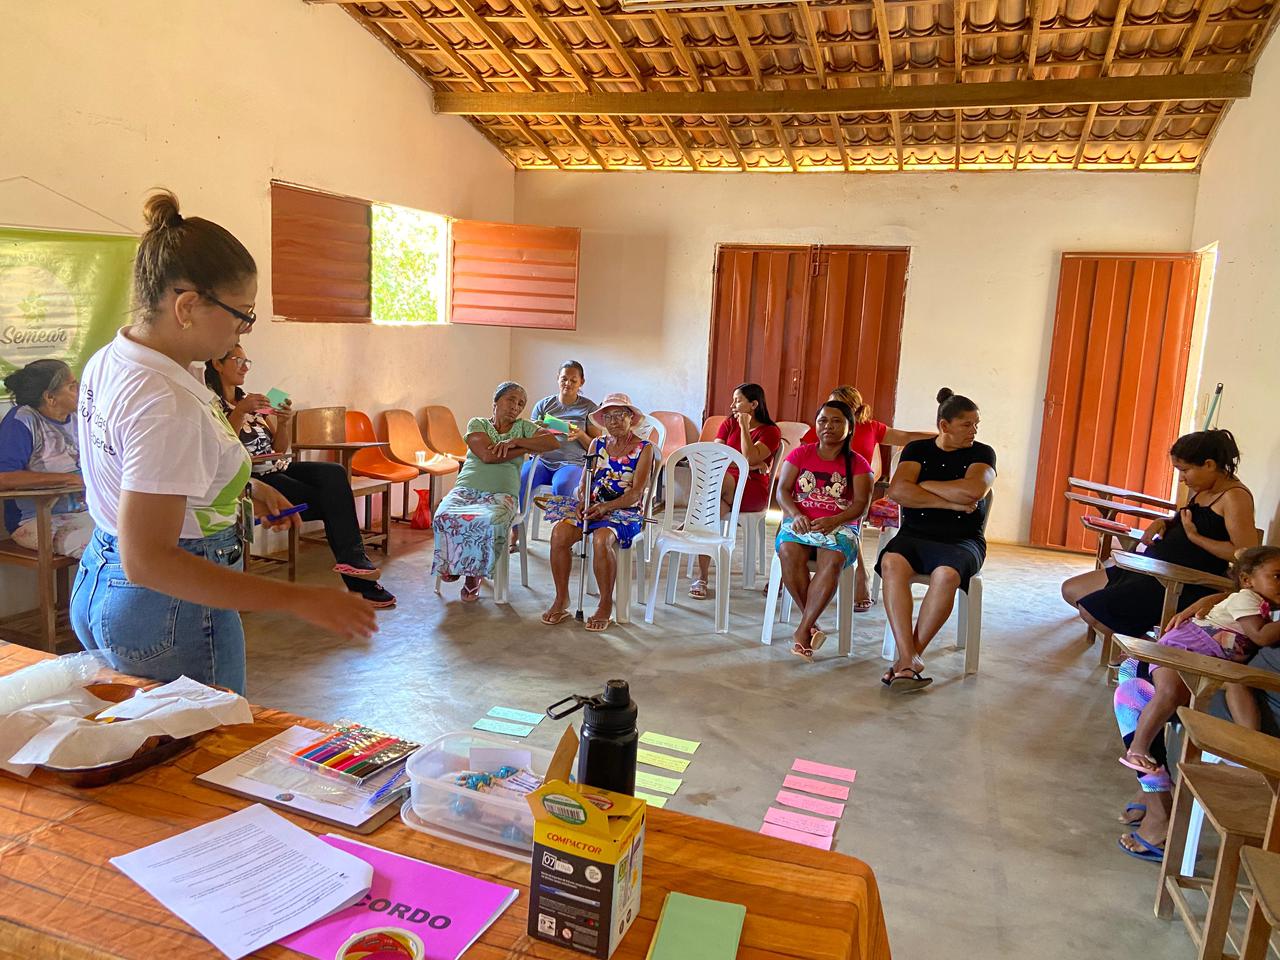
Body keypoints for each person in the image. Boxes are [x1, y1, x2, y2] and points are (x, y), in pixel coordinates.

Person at [70, 190, 376, 695]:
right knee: (200, 756)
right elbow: (150, 558)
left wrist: (244, 486)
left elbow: (147, 470)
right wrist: (299, 599)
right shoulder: (167, 401)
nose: (243, 331)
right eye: (243, 314)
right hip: (167, 605)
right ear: (188, 305)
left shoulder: (116, 356)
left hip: (99, 578)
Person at [1114, 550, 1280, 862]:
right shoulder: (1255, 600)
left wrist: (1226, 598)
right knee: (1138, 683)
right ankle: (1148, 772)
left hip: (1225, 673)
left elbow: (1257, 624)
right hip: (1196, 651)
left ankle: (1155, 791)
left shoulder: (1260, 601)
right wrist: (1218, 599)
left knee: (1132, 693)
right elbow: (1250, 603)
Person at [205, 345, 395, 607]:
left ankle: (354, 562)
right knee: (332, 502)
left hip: (275, 467)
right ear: (217, 363)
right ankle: (360, 578)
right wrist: (239, 412)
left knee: (334, 473)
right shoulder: (212, 404)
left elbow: (278, 449)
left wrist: (283, 422)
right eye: (238, 360)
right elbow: (224, 447)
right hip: (253, 478)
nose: (245, 366)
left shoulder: (251, 401)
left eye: (247, 361)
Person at [1062, 429, 1258, 655]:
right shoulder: (1204, 488)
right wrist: (1164, 522)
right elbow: (1190, 522)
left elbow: (1246, 554)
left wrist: (1197, 538)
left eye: (1185, 470)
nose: (1182, 478)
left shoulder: (1235, 497)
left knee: (1091, 611)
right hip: (1151, 570)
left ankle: (1155, 654)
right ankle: (1148, 649)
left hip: (1180, 583)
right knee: (1071, 590)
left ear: (1209, 464)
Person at [1118, 545, 1280, 774]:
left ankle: (1250, 748)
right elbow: (1260, 635)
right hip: (1186, 646)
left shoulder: (1257, 602)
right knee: (1169, 694)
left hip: (1213, 660)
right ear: (1247, 580)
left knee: (1238, 686)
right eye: (1278, 576)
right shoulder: (1246, 598)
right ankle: (1138, 748)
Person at [876, 388, 996, 692]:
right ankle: (909, 659)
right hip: (915, 535)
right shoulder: (917, 450)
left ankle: (907, 659)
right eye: (967, 425)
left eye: (976, 425)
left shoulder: (983, 453)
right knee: (891, 561)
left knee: (946, 575)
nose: (974, 431)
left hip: (963, 541)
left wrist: (925, 484)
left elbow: (973, 492)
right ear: (945, 425)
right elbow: (898, 491)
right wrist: (950, 503)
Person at [802, 384, 935, 610]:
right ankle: (796, 575)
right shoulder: (823, 426)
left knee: (851, 517)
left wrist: (942, 437)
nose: (833, 412)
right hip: (823, 491)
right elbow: (806, 459)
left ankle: (860, 577)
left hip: (855, 492)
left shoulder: (871, 427)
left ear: (854, 408)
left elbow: (906, 436)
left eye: (840, 406)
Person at [432, 381, 558, 601]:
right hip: (467, 488)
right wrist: (527, 447)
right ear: (496, 401)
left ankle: (473, 575)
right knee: (444, 514)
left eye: (521, 404)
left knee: (489, 520)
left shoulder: (524, 427)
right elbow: (487, 456)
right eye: (511, 400)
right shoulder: (478, 423)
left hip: (502, 493)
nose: (516, 407)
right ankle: (452, 564)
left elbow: (552, 443)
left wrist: (516, 441)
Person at [540, 393, 655, 632]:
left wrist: (606, 507)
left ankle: (605, 604)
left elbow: (635, 494)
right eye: (608, 416)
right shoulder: (597, 444)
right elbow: (585, 481)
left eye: (620, 415)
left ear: (631, 418)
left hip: (625, 511)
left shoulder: (644, 449)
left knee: (602, 539)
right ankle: (562, 599)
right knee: (559, 533)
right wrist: (582, 499)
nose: (613, 421)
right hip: (592, 508)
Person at [774, 400, 874, 660]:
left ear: (850, 427)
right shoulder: (800, 454)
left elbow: (861, 504)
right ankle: (810, 626)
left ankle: (803, 630)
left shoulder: (859, 463)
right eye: (822, 421)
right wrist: (795, 515)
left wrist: (835, 520)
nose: (828, 426)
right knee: (788, 551)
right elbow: (782, 490)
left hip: (839, 526)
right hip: (800, 522)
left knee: (833, 560)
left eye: (836, 421)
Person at [691, 383, 782, 600]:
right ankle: (702, 576)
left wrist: (744, 428)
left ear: (753, 404)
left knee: (711, 493)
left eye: (738, 400)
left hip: (752, 489)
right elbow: (716, 456)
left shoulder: (771, 431)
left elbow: (749, 457)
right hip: (725, 484)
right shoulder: (727, 423)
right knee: (712, 510)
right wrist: (747, 463)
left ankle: (688, 524)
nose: (732, 405)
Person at [0, 359, 93, 557]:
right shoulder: (22, 420)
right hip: (36, 521)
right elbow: (4, 478)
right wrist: (69, 479)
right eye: (71, 386)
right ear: (50, 397)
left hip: (83, 513)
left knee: (143, 535)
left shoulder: (79, 418)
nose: (79, 389)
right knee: (110, 550)